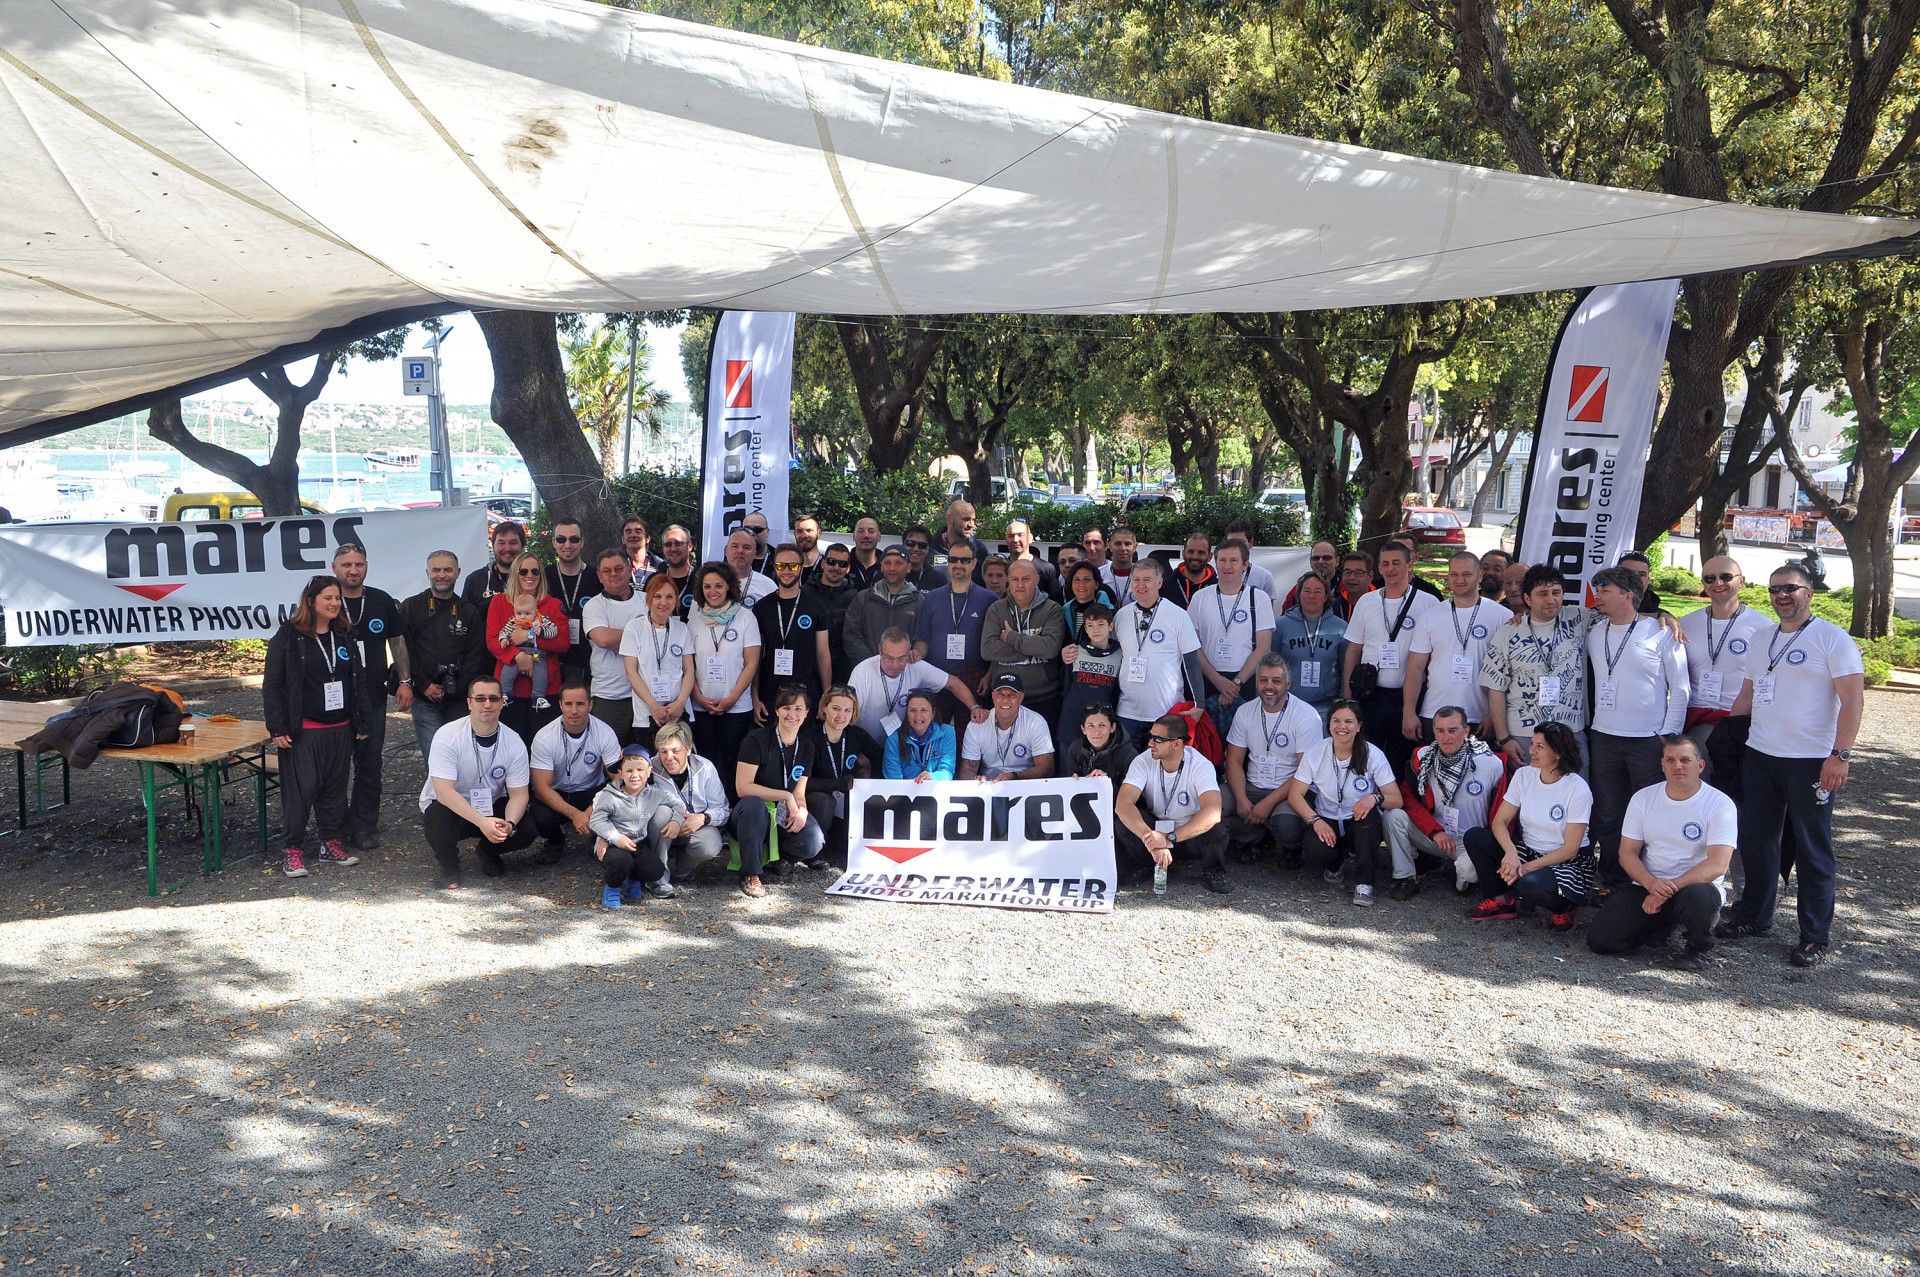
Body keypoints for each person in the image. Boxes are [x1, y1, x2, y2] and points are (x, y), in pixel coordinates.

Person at [1717, 564, 1865, 967]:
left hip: (1811, 761)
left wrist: (1840, 755)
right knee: (1757, 841)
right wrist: (1727, 742)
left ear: (1809, 593)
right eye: (1775, 589)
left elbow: (1853, 700)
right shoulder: (1761, 637)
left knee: (1813, 848)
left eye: (1790, 588)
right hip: (1761, 755)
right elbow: (1748, 694)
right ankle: (1754, 917)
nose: (1782, 595)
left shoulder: (1832, 639)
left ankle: (1814, 936)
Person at [1588, 734, 1737, 970]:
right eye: (1670, 760)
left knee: (1701, 898)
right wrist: (1650, 883)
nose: (1677, 766)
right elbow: (1627, 853)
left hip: (1694, 887)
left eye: (1685, 760)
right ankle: (1658, 927)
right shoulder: (1643, 798)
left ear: (1700, 766)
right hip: (1649, 885)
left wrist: (1668, 889)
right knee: (1601, 940)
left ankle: (1697, 949)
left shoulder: (1720, 804)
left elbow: (1717, 865)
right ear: (1662, 765)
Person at [1585, 564, 1689, 889]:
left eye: (1604, 590)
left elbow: (1681, 689)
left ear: (1628, 595)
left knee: (1647, 814)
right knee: (1608, 813)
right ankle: (1613, 881)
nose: (1598, 595)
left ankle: (1646, 881)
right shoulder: (1595, 631)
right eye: (1597, 589)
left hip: (1648, 739)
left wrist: (1669, 737)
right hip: (1604, 736)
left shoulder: (1661, 632)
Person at [263, 574, 374, 878]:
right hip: (304, 730)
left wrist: (363, 719)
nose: (334, 603)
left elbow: (358, 680)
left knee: (334, 790)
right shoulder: (289, 635)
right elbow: (272, 685)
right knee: (301, 792)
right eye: (328, 597)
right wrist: (277, 727)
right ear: (311, 601)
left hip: (340, 727)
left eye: (337, 598)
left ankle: (329, 843)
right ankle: (293, 849)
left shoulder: (344, 634)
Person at [1463, 723, 1595, 929]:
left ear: (1558, 753)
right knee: (1475, 837)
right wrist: (1511, 854)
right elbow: (1499, 822)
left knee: (1530, 884)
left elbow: (1570, 849)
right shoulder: (1524, 775)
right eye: (1532, 744)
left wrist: (1524, 868)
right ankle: (1503, 900)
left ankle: (1565, 906)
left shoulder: (1578, 789)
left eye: (1540, 746)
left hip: (1567, 860)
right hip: (1529, 850)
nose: (1531, 750)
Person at [418, 675, 539, 890]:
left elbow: (519, 795)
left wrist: (509, 825)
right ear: (469, 703)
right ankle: (449, 866)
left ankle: (489, 851)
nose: (487, 704)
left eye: (494, 698)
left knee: (527, 827)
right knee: (437, 819)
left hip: (491, 804)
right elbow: (444, 792)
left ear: (502, 703)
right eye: (480, 698)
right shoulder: (447, 736)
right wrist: (482, 822)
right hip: (453, 806)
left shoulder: (514, 741)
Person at [1285, 700, 1402, 907]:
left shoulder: (1373, 754)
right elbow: (1295, 794)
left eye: (1349, 721)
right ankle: (1335, 863)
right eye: (1336, 721)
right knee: (1314, 847)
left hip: (1358, 819)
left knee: (1369, 817)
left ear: (1359, 726)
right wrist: (1315, 820)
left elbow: (1396, 799)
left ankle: (1364, 882)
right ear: (1329, 725)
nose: (1342, 727)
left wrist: (1374, 797)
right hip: (1327, 818)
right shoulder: (1316, 752)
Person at [330, 542, 408, 851]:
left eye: (359, 564)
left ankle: (364, 826)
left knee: (369, 765)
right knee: (334, 767)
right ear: (334, 567)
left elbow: (397, 641)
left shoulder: (380, 600)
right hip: (333, 700)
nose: (353, 570)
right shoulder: (325, 599)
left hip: (372, 697)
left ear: (366, 566)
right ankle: (334, 828)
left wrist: (405, 681)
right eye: (347, 564)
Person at [1388, 706, 1509, 899]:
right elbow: (1408, 798)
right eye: (1440, 730)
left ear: (1466, 731)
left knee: (1471, 872)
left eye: (1453, 730)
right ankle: (1407, 877)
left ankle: (1462, 876)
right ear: (1434, 731)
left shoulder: (1491, 763)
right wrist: (1435, 831)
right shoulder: (1423, 757)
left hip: (1469, 841)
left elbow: (1503, 811)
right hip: (1435, 834)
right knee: (1393, 816)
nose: (1446, 737)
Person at [1342, 541, 1439, 781]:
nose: (1391, 569)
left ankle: (1395, 800)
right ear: (1379, 568)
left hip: (1408, 696)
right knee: (1367, 754)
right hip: (1370, 693)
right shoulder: (1366, 601)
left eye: (1396, 563)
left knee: (1400, 757)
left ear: (1410, 565)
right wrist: (1348, 695)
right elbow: (1354, 649)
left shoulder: (1428, 603)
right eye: (1385, 564)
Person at [1479, 565, 1591, 770]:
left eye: (1556, 592)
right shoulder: (1508, 632)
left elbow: (1622, 617)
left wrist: (1658, 616)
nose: (1551, 599)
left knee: (1576, 789)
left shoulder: (1579, 618)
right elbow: (1496, 689)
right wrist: (1504, 739)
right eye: (1542, 594)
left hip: (1571, 733)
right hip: (1524, 736)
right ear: (1527, 599)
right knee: (1527, 790)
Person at [1678, 556, 1764, 817]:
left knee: (1735, 793)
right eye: (1710, 578)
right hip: (1696, 720)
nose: (1718, 583)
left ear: (1741, 581)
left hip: (1739, 722)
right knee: (1696, 792)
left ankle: (1733, 841)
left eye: (1726, 577)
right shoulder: (1687, 623)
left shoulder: (1761, 627)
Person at [1223, 654, 1322, 869]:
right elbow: (1234, 760)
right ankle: (1257, 836)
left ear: (1288, 683)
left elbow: (1305, 772)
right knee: (1215, 803)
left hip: (1291, 789)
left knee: (1286, 824)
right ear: (1256, 682)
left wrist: (1267, 804)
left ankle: (1292, 847)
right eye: (1263, 680)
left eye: (1276, 681)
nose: (1269, 686)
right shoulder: (1244, 711)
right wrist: (1241, 799)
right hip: (1252, 786)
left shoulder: (1306, 715)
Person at [1115, 714, 1232, 894]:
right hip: (1155, 829)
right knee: (1123, 823)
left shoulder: (1200, 765)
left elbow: (1213, 811)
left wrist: (1169, 838)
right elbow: (1123, 804)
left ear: (1177, 744)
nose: (1150, 743)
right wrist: (1150, 838)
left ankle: (1213, 870)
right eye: (1150, 736)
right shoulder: (1143, 760)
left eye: (1158, 739)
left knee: (1216, 827)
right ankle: (1146, 864)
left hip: (1189, 835)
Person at [730, 686, 827, 897]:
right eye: (786, 708)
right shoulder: (756, 740)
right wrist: (785, 795)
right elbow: (743, 787)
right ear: (777, 710)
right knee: (754, 804)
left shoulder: (806, 746)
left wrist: (802, 810)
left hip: (783, 811)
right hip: (751, 813)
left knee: (814, 841)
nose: (792, 714)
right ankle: (750, 873)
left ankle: (782, 858)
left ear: (806, 713)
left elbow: (799, 792)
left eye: (798, 709)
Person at [400, 550, 490, 759]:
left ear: (458, 572)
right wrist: (423, 685)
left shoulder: (468, 611)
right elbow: (404, 651)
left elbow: (475, 654)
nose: (442, 575)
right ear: (427, 573)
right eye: (436, 570)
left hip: (459, 698)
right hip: (424, 696)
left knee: (461, 756)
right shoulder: (411, 607)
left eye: (448, 570)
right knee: (436, 758)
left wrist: (459, 687)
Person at [1113, 557, 1204, 748]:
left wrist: (1199, 704)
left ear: (1160, 582)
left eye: (1147, 580)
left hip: (1165, 712)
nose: (1141, 585)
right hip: (1127, 711)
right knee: (1128, 764)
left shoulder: (1178, 615)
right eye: (1136, 580)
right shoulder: (1121, 615)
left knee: (1163, 764)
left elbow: (1191, 663)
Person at [1405, 551, 1497, 740]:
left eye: (1466, 574)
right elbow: (1415, 667)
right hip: (1435, 714)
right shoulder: (1431, 616)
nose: (1459, 580)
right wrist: (1409, 711)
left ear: (1480, 576)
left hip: (1480, 718)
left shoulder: (1501, 616)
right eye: (1454, 574)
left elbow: (1508, 673)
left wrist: (1494, 714)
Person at [528, 678, 622, 862]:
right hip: (559, 792)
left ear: (590, 705)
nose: (574, 710)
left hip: (592, 791)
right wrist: (575, 814)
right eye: (568, 704)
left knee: (618, 802)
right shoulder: (544, 737)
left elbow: (618, 778)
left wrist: (592, 809)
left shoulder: (605, 733)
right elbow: (540, 788)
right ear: (560, 705)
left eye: (580, 704)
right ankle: (555, 841)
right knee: (540, 814)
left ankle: (599, 838)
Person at [687, 561, 762, 792]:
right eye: (707, 586)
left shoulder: (746, 617)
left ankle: (733, 807)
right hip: (701, 706)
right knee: (705, 761)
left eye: (718, 585)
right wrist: (699, 698)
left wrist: (733, 698)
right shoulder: (694, 619)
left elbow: (752, 662)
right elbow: (688, 665)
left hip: (737, 706)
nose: (713, 591)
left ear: (729, 586)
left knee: (733, 761)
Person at [1190, 538, 1274, 737]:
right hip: (1208, 679)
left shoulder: (1258, 598)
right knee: (1209, 744)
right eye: (1222, 560)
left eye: (1234, 561)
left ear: (1245, 565)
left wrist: (1235, 684)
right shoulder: (1200, 597)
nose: (1227, 566)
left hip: (1246, 681)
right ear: (1215, 563)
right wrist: (1217, 680)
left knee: (1243, 743)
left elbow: (1263, 647)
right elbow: (1192, 645)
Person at [486, 553, 569, 743]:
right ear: (515, 574)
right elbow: (492, 640)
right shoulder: (499, 602)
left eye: (535, 571)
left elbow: (563, 642)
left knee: (543, 747)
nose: (529, 575)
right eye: (523, 571)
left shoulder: (553, 605)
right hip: (509, 692)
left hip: (545, 691)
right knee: (510, 746)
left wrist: (528, 637)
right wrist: (517, 656)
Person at [587, 746, 684, 908]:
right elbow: (596, 821)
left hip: (638, 842)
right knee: (620, 861)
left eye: (640, 769)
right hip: (614, 844)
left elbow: (679, 804)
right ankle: (612, 888)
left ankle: (633, 878)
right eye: (629, 770)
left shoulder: (654, 794)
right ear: (621, 773)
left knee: (655, 870)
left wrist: (676, 821)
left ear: (649, 771)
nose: (635, 775)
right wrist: (616, 838)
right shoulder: (610, 796)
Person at [911, 539, 995, 721]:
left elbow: (996, 645)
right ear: (947, 562)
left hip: (974, 676)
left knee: (971, 731)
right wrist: (916, 656)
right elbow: (922, 640)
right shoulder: (931, 598)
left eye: (965, 560)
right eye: (953, 559)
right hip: (937, 675)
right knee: (935, 730)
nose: (958, 564)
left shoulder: (989, 599)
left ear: (974, 563)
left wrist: (989, 676)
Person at [849, 629, 982, 743]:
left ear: (909, 652)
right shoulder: (862, 672)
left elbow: (954, 683)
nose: (895, 665)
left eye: (901, 658)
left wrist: (974, 707)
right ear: (880, 650)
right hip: (865, 742)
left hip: (901, 744)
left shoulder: (915, 666)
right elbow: (848, 713)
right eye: (889, 658)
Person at [753, 543, 833, 720]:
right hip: (770, 693)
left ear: (802, 568)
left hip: (807, 693)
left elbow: (823, 654)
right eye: (781, 566)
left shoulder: (816, 606)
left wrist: (826, 695)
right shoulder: (762, 608)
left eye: (793, 566)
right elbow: (755, 658)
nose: (786, 571)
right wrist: (755, 697)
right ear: (775, 567)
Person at [980, 559, 1067, 722]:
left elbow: (1050, 648)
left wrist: (1011, 637)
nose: (1020, 584)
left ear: (1037, 580)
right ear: (1008, 580)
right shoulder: (996, 609)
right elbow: (988, 650)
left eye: (1025, 579)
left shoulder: (1052, 609)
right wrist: (1033, 647)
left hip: (1043, 697)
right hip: (1004, 697)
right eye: (1015, 579)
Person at [619, 573, 696, 753]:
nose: (664, 602)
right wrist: (653, 706)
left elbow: (689, 670)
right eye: (658, 596)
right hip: (647, 714)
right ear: (648, 599)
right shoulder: (634, 628)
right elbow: (631, 672)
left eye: (669, 597)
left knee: (679, 761)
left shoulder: (682, 629)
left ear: (676, 600)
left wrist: (680, 703)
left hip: (678, 713)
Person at [581, 549, 649, 745]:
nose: (613, 574)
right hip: (609, 696)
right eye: (607, 570)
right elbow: (602, 639)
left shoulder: (648, 600)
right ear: (599, 576)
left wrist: (620, 641)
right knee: (610, 756)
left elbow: (660, 638)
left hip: (647, 694)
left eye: (619, 568)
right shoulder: (594, 606)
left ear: (629, 570)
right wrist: (641, 636)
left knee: (646, 756)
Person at [649, 721, 729, 883]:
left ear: (688, 749)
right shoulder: (648, 768)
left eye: (675, 751)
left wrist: (704, 818)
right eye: (663, 751)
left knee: (710, 843)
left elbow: (723, 810)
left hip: (693, 827)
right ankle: (658, 876)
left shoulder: (705, 767)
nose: (669, 757)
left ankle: (683, 868)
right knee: (661, 813)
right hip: (662, 828)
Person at [809, 686, 878, 862]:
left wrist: (868, 780)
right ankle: (815, 852)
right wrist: (835, 784)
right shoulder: (810, 738)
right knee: (824, 801)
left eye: (848, 710)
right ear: (825, 707)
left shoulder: (856, 735)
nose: (841, 715)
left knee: (841, 846)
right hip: (817, 799)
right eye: (836, 708)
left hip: (845, 796)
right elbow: (801, 781)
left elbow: (880, 758)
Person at [1273, 571, 1346, 725]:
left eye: (1317, 591)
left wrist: (1342, 703)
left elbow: (1345, 669)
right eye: (1307, 591)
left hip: (1326, 707)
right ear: (1299, 595)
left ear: (1326, 596)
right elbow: (1271, 667)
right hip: (1288, 704)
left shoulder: (1341, 628)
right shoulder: (1280, 626)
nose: (1311, 596)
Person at [959, 673, 1056, 781]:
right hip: (989, 785)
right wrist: (976, 779)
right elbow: (967, 770)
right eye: (1000, 694)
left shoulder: (1036, 722)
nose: (1005, 700)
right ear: (993, 696)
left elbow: (1046, 768)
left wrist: (1014, 776)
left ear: (1021, 698)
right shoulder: (977, 725)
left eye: (1012, 695)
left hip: (1024, 783)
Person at [844, 545, 926, 666]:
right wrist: (871, 664)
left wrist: (910, 658)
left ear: (908, 567)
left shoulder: (919, 602)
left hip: (905, 671)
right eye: (887, 563)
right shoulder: (863, 599)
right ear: (881, 567)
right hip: (869, 670)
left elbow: (923, 638)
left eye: (898, 563)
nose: (892, 568)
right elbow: (851, 636)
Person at [1057, 604, 1121, 744]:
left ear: (1110, 626)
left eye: (1101, 624)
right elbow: (1065, 686)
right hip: (1072, 720)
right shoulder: (1075, 652)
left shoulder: (1119, 655)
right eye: (1090, 625)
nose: (1095, 630)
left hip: (1101, 724)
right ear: (1085, 629)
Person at [545, 518, 600, 678]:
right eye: (561, 539)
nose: (567, 545)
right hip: (552, 662)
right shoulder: (543, 577)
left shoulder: (596, 577)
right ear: (554, 542)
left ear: (582, 542)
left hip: (590, 664)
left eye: (574, 539)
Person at [882, 690, 957, 782]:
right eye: (913, 710)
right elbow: (893, 781)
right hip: (904, 791)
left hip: (935, 788)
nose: (918, 716)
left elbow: (947, 771)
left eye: (924, 710)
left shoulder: (947, 733)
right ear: (907, 714)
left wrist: (932, 777)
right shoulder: (893, 741)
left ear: (933, 713)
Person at [495, 592, 554, 707]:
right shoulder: (513, 621)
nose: (522, 617)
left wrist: (542, 632)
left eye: (527, 613)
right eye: (519, 613)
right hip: (517, 654)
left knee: (541, 674)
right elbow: (504, 631)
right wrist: (503, 639)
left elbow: (554, 631)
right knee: (507, 672)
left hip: (537, 654)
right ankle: (505, 694)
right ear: (514, 612)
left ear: (535, 612)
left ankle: (538, 697)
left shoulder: (542, 620)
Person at [814, 542, 860, 682]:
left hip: (845, 672)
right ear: (823, 563)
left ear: (848, 569)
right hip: (811, 670)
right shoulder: (806, 594)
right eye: (831, 562)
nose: (836, 567)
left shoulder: (856, 598)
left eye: (842, 564)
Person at [1062, 703, 1137, 786]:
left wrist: (1106, 783)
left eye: (1102, 725)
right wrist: (1072, 782)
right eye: (1091, 726)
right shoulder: (1075, 749)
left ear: (1112, 727)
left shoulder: (1128, 754)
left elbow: (1132, 792)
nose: (1097, 732)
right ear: (1083, 729)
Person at [462, 520, 525, 606]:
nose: (507, 548)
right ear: (493, 546)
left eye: (513, 543)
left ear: (522, 546)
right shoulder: (475, 580)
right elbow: (464, 613)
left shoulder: (534, 578)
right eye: (501, 543)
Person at [1061, 561, 1119, 646]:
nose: (1081, 584)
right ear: (1071, 585)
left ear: (1096, 584)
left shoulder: (1112, 613)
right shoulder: (1063, 613)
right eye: (1077, 579)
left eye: (1087, 579)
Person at [1223, 519, 1276, 603]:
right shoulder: (1218, 574)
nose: (1235, 547)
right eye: (1231, 543)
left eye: (1240, 542)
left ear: (1251, 543)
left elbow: (1268, 609)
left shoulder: (1264, 576)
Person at [1001, 520, 1058, 598]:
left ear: (1030, 538)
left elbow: (1054, 600)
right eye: (1011, 536)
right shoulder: (1000, 569)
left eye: (1020, 535)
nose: (1015, 540)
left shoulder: (1046, 569)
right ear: (1006, 540)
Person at [724, 528, 778, 607]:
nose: (740, 551)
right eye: (735, 546)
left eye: (746, 547)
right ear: (726, 551)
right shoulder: (711, 582)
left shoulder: (768, 585)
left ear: (754, 554)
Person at [1280, 542, 1340, 612]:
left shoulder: (1346, 590)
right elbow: (1286, 615)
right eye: (1316, 558)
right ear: (1310, 562)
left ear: (1337, 561)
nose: (1320, 561)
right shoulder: (1297, 590)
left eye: (1326, 558)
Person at [1164, 532, 1218, 609]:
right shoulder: (1165, 586)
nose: (1195, 556)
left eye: (1201, 552)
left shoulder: (1218, 588)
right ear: (1183, 554)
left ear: (1210, 556)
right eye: (1191, 551)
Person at [935, 499, 991, 566]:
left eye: (973, 520)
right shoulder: (930, 547)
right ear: (950, 519)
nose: (971, 525)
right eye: (966, 519)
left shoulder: (979, 550)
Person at [659, 524, 697, 618]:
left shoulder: (702, 579)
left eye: (678, 543)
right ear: (663, 548)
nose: (673, 549)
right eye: (668, 544)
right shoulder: (654, 580)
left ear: (689, 546)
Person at [902, 524, 950, 591]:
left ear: (928, 549)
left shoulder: (938, 580)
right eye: (910, 543)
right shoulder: (892, 574)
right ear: (903, 545)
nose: (916, 549)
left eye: (922, 545)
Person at [1102, 528, 1140, 608]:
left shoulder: (1145, 576)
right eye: (1118, 544)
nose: (1123, 548)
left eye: (1127, 544)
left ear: (1135, 546)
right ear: (1110, 546)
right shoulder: (1098, 574)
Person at [619, 514, 662, 586]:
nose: (633, 535)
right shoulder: (614, 566)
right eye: (628, 532)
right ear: (623, 539)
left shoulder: (660, 566)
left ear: (647, 538)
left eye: (638, 531)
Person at [1619, 550, 1664, 615]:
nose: (1636, 579)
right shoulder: (1603, 609)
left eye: (1641, 575)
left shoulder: (1661, 618)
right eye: (1629, 573)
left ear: (1648, 580)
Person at [848, 517, 885, 590]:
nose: (866, 536)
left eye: (871, 531)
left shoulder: (887, 566)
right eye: (861, 531)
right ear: (854, 536)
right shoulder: (843, 564)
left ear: (879, 536)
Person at [1335, 551, 1373, 618]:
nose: (1352, 577)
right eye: (1347, 572)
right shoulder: (1332, 609)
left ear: (1370, 576)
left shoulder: (1382, 605)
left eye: (1358, 573)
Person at [739, 512, 776, 577]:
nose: (752, 533)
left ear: (767, 532)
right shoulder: (734, 555)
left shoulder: (777, 557)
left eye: (757, 529)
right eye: (747, 530)